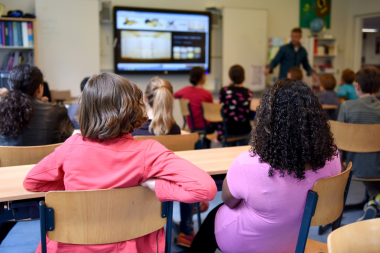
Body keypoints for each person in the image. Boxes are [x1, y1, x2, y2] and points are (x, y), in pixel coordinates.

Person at [23, 72, 217, 253]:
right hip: (130, 246)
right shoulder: (148, 152)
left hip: (72, 246)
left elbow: (32, 182)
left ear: (85, 110)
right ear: (133, 109)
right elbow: (205, 189)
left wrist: (72, 188)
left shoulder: (71, 146)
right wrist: (154, 184)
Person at [189, 79, 340, 253]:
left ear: (267, 119)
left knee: (213, 217)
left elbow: (228, 201)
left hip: (250, 242)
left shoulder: (247, 164)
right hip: (296, 239)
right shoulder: (332, 155)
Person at [132, 76, 208, 247]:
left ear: (145, 98)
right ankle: (187, 231)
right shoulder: (174, 128)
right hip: (172, 185)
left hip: (142, 189)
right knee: (184, 176)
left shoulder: (135, 129)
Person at [337, 66, 380, 220]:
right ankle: (375, 202)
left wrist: (340, 167)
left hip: (354, 167)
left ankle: (374, 203)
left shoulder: (347, 107)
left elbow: (340, 143)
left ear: (357, 86)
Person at [0, 63, 74, 146]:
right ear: (39, 88)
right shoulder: (58, 111)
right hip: (46, 158)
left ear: (12, 88)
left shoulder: (3, 109)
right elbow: (67, 138)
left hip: (9, 159)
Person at [219, 65, 252, 145]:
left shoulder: (224, 91)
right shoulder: (248, 92)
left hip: (228, 130)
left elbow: (221, 112)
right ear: (243, 77)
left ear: (230, 77)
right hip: (244, 131)